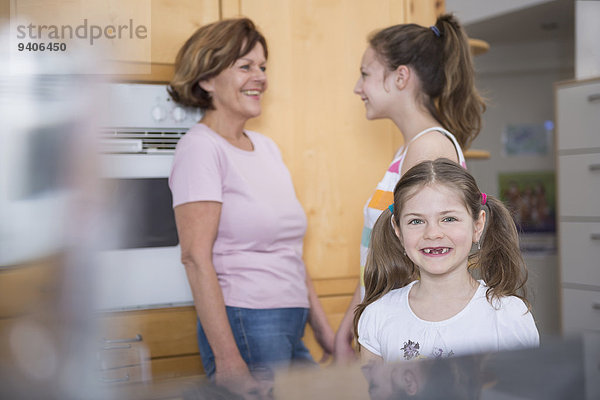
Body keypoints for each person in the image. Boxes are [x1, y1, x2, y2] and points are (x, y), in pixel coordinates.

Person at [168, 18, 334, 397]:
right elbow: (195, 258)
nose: (259, 76)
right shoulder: (201, 148)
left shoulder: (267, 148)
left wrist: (323, 330)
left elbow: (290, 251)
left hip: (291, 319)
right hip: (246, 320)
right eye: (245, 66)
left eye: (262, 67)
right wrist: (228, 360)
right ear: (207, 80)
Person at [334, 13, 486, 362]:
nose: (359, 88)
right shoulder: (411, 149)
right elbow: (382, 248)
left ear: (401, 76)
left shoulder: (428, 149)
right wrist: (355, 316)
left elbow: (427, 252)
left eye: (365, 74)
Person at [354, 158, 539, 363]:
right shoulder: (378, 315)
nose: (433, 233)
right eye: (416, 221)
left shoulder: (507, 315)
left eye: (449, 219)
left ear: (477, 226)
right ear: (398, 231)